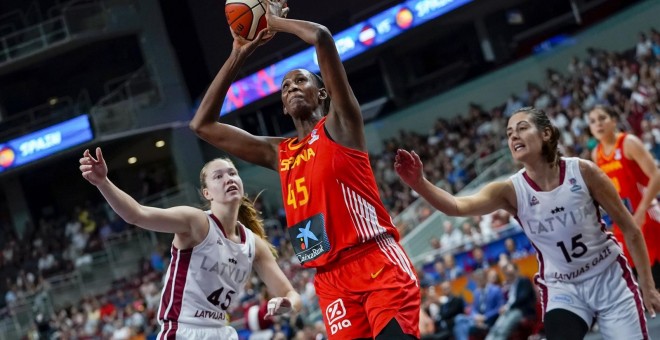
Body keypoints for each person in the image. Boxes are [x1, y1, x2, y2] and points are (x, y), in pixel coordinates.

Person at [189, 0, 420, 338]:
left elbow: (322, 37)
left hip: (374, 259)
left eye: (300, 81)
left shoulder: (341, 126)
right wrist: (239, 52)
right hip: (330, 280)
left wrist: (271, 22)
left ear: (322, 93)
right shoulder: (278, 152)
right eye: (285, 87)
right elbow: (202, 124)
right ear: (283, 106)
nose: (292, 88)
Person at [395, 107, 660, 340]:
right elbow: (455, 206)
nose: (513, 136)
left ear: (546, 134)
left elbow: (630, 229)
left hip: (608, 278)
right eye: (509, 133)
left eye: (522, 128)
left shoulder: (583, 171)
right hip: (563, 286)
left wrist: (648, 286)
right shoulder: (510, 190)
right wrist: (420, 183)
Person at [79, 147, 301, 339]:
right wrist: (103, 182)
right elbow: (137, 214)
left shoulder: (253, 244)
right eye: (219, 176)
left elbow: (290, 293)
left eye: (232, 173)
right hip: (184, 331)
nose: (229, 179)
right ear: (207, 193)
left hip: (221, 332)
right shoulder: (197, 222)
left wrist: (287, 304)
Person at [588, 105, 660, 288]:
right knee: (639, 282)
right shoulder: (596, 154)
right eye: (593, 121)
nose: (598, 124)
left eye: (602, 118)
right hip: (624, 220)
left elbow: (656, 175)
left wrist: (642, 210)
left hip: (647, 212)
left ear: (613, 121)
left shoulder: (629, 143)